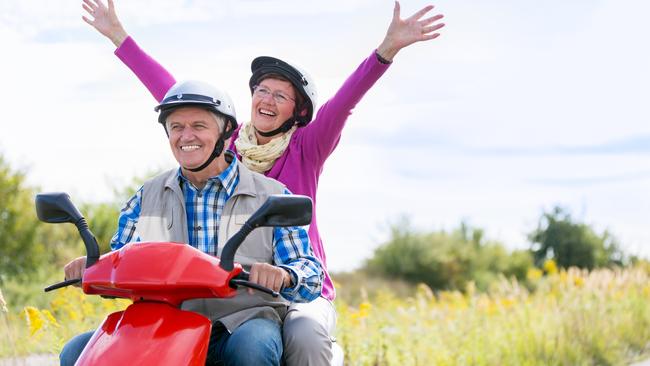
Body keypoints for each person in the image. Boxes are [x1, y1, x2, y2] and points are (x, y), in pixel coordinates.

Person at [81, 1, 445, 364]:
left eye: (280, 95)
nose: (267, 99)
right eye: (262, 90)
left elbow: (345, 102)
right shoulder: (224, 142)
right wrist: (118, 35)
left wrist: (386, 51)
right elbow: (174, 97)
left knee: (303, 335)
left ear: (297, 111)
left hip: (290, 284)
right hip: (217, 288)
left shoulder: (307, 146)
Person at [59, 80, 323, 366]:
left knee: (252, 348)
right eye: (176, 127)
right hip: (164, 324)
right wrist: (95, 268)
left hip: (243, 320)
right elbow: (121, 263)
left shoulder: (271, 194)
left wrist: (284, 275)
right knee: (75, 352)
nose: (186, 136)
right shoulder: (146, 195)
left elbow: (309, 273)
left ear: (225, 133)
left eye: (199, 126)